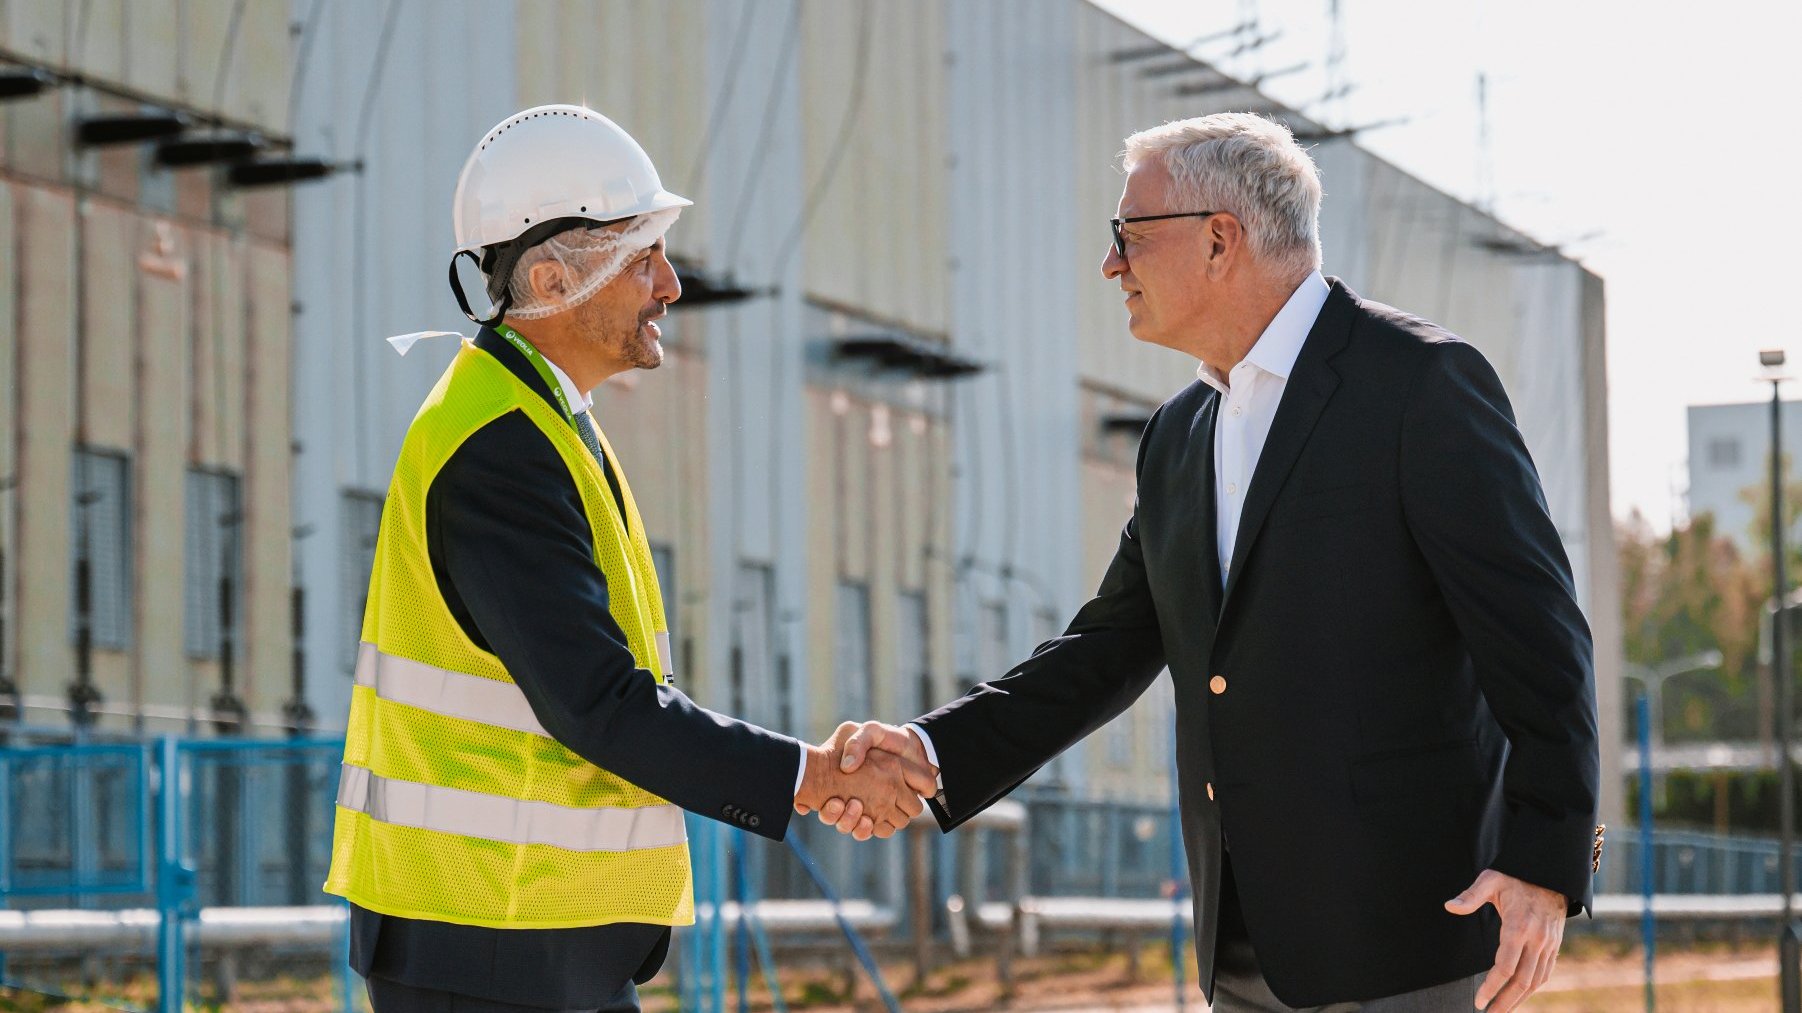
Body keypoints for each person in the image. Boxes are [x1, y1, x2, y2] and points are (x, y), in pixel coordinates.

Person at [818, 113, 1601, 1013]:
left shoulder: (1420, 384)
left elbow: (1540, 643)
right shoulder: (1179, 434)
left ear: (1220, 239)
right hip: (1240, 943)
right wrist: (926, 749)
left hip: (1404, 940)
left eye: (1129, 235)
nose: (1112, 264)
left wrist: (1544, 863)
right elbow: (1104, 649)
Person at [322, 104, 935, 1013]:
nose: (670, 285)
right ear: (550, 276)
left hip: (523, 938)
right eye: (642, 255)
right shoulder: (499, 447)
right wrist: (809, 774)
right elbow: (599, 702)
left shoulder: (541, 424)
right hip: (491, 941)